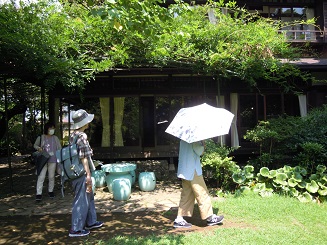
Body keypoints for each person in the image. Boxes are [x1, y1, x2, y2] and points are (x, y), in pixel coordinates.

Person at [68, 109, 103, 238]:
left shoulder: (73, 135)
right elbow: (83, 157)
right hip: (81, 173)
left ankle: (91, 221)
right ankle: (76, 229)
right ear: (84, 123)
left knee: (88, 196)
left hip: (74, 171)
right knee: (81, 199)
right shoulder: (82, 136)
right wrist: (88, 175)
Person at [173, 140, 224, 228]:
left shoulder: (184, 137)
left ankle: (179, 219)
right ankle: (210, 217)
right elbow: (199, 151)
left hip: (185, 170)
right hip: (193, 170)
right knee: (202, 193)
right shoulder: (193, 137)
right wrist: (203, 144)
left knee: (187, 195)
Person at [34, 122, 61, 202]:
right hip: (43, 160)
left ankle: (51, 191)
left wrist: (59, 158)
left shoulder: (55, 138)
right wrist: (39, 148)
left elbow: (59, 148)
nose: (52, 130)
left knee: (51, 177)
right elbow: (35, 145)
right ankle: (38, 193)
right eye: (50, 128)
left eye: (53, 128)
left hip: (53, 160)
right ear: (47, 129)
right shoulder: (41, 137)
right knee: (41, 177)